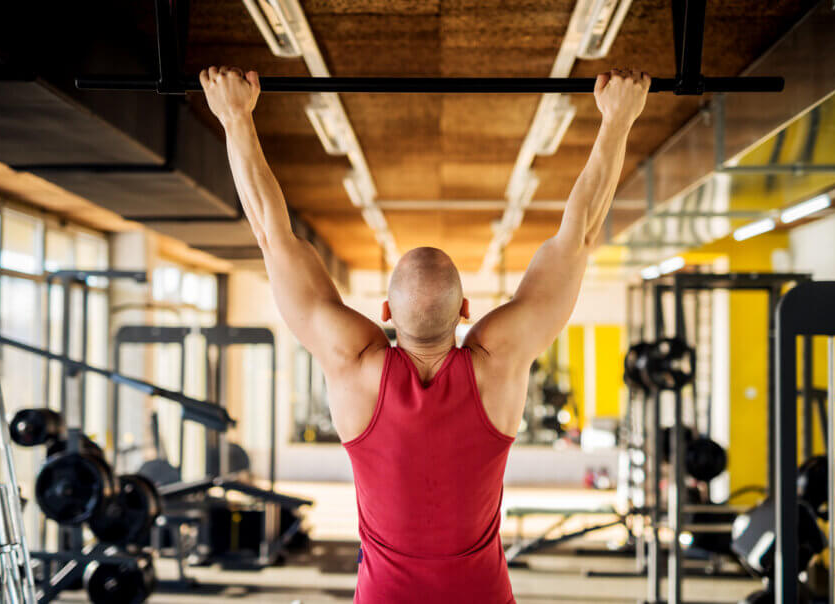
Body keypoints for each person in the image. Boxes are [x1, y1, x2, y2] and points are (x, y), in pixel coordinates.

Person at [200, 66, 650, 604]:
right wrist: (617, 121)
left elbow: (272, 235)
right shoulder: (497, 362)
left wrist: (235, 116)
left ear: (386, 311)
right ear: (465, 310)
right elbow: (578, 235)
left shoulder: (354, 364)